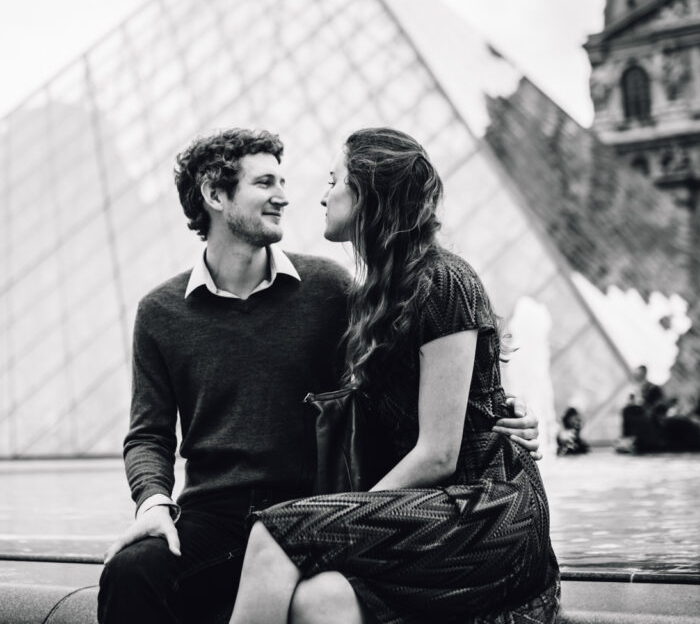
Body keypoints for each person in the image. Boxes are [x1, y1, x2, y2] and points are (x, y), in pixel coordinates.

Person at [97, 129, 542, 624]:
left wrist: (496, 412)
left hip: (312, 500)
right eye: (265, 182)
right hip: (215, 515)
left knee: (300, 568)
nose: (286, 196)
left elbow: (418, 384)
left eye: (293, 180)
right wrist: (153, 503)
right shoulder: (160, 313)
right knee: (129, 572)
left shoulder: (333, 290)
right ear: (215, 195)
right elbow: (147, 435)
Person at [228, 128, 559, 624]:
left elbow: (440, 454)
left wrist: (344, 518)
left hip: (489, 513)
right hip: (430, 508)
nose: (322, 194)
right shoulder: (374, 297)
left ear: (368, 193)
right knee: (320, 601)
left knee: (273, 532)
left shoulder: (443, 281)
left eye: (335, 180)